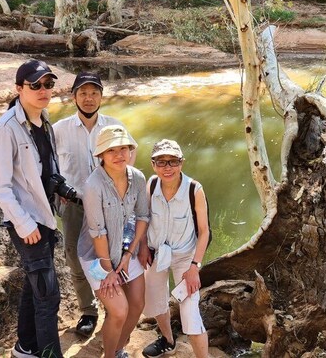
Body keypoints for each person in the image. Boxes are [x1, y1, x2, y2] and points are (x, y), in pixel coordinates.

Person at [0, 59, 63, 358]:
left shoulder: (44, 122)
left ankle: (26, 347)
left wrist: (60, 189)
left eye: (48, 84)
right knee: (48, 296)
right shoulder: (5, 129)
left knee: (35, 289)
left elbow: (47, 168)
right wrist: (24, 223)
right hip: (28, 224)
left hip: (45, 218)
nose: (44, 91)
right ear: (19, 89)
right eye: (36, 85)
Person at [53, 72, 133, 337]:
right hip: (74, 204)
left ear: (101, 96)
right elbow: (49, 166)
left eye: (94, 93)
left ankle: (113, 306)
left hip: (109, 203)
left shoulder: (114, 125)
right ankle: (88, 310)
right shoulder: (59, 130)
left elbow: (129, 155)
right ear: (73, 96)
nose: (89, 98)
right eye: (83, 93)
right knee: (76, 258)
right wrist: (57, 189)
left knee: (111, 254)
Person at [80, 125, 149, 358]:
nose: (119, 155)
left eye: (123, 148)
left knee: (138, 304)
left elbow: (142, 217)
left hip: (127, 246)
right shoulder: (93, 185)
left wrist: (129, 255)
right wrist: (109, 271)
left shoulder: (137, 177)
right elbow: (97, 232)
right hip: (97, 256)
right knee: (119, 311)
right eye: (111, 150)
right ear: (101, 155)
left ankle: (118, 348)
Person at [139, 139, 210, 358]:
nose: (167, 167)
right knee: (156, 302)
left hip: (185, 258)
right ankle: (168, 341)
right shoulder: (151, 185)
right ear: (153, 164)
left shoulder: (193, 190)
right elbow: (143, 218)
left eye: (173, 161)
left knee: (190, 315)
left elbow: (204, 231)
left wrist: (194, 266)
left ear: (182, 163)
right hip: (156, 254)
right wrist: (142, 246)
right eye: (161, 162)